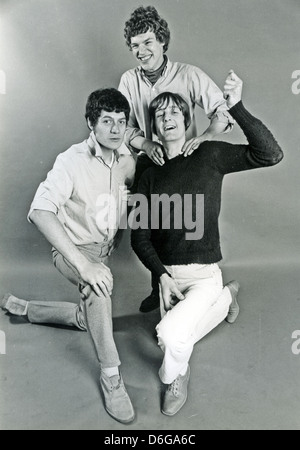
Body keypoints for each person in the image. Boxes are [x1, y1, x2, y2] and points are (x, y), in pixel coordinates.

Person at [131, 71, 283, 416]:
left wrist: (238, 108)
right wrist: (162, 277)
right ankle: (227, 296)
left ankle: (176, 375)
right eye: (160, 115)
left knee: (169, 337)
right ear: (154, 126)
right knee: (177, 334)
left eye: (174, 112)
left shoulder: (209, 154)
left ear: (186, 121)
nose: (168, 118)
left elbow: (271, 154)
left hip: (203, 274)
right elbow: (139, 236)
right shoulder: (148, 173)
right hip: (167, 277)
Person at [1, 88, 136, 424]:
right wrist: (85, 265)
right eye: (107, 121)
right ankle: (111, 376)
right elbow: (39, 211)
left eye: (121, 122)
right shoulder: (70, 161)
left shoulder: (127, 160)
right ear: (91, 123)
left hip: (106, 251)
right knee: (98, 290)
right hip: (73, 251)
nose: (116, 130)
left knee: (87, 317)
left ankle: (27, 308)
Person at [119, 5, 235, 313]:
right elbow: (122, 125)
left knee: (180, 225)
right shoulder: (129, 81)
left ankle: (204, 287)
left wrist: (204, 138)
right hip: (149, 161)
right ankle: (159, 282)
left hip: (185, 161)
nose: (141, 51)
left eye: (147, 42)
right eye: (135, 46)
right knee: (147, 227)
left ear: (161, 41)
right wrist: (144, 141)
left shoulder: (189, 74)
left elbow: (222, 114)